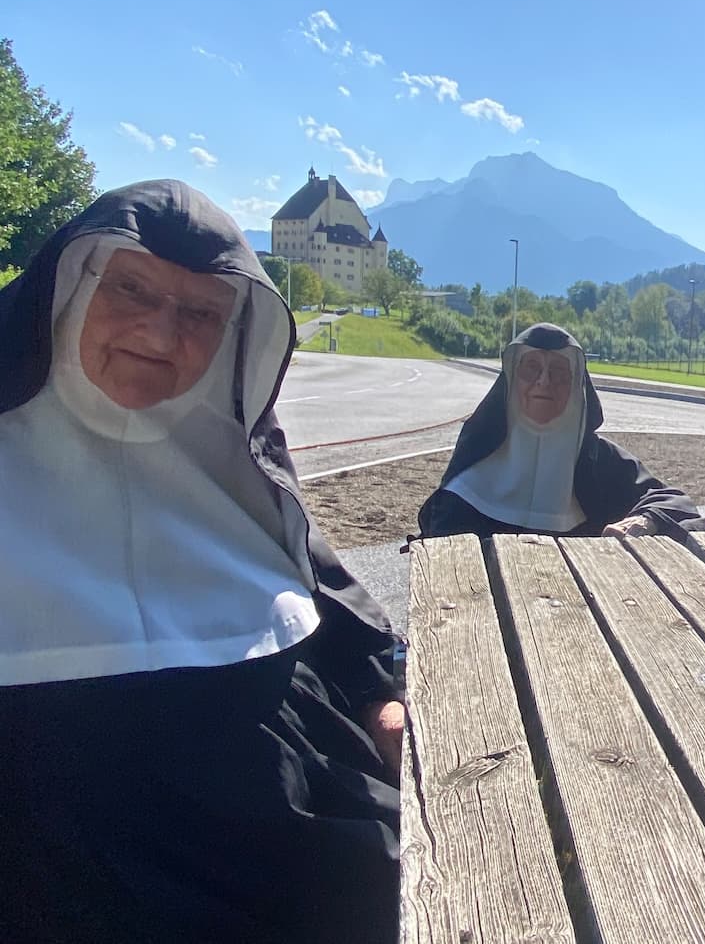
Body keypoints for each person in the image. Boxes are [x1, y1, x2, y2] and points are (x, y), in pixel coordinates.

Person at [0, 180, 403, 943]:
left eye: (200, 313)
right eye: (131, 288)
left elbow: (322, 583)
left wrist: (380, 692)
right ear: (68, 284)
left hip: (282, 825)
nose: (161, 333)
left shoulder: (231, 446)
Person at [418, 322, 705, 541]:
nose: (544, 382)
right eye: (531, 369)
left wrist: (645, 522)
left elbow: (676, 503)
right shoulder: (479, 455)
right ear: (512, 379)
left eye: (558, 372)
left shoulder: (598, 460)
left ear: (575, 385)